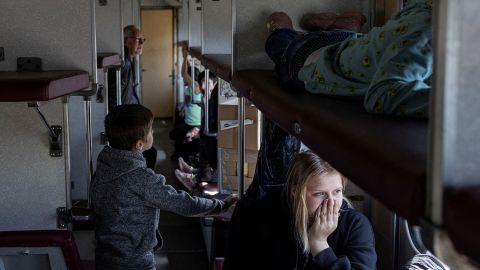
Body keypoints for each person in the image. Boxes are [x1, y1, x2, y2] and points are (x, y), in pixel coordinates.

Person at [91, 104, 236, 270]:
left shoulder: (104, 164)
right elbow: (182, 203)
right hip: (134, 261)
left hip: (105, 257)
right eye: (151, 131)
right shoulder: (142, 179)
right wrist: (221, 206)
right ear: (139, 145)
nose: (153, 133)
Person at [265, 0, 432, 117]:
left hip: (350, 43)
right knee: (281, 46)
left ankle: (333, 27)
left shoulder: (424, 10)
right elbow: (381, 95)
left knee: (329, 41)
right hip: (308, 59)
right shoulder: (431, 32)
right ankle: (280, 29)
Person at [224, 151, 377, 269]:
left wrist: (320, 244)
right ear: (296, 192)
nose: (332, 202)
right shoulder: (268, 217)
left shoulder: (355, 225)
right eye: (320, 194)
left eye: (337, 191)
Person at [107, 25, 157, 170]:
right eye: (137, 39)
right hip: (125, 123)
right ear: (125, 41)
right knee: (150, 152)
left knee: (150, 150)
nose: (141, 43)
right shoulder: (123, 64)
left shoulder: (130, 60)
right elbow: (114, 96)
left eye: (143, 40)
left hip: (129, 119)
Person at [169, 44, 202, 161]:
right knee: (176, 128)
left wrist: (184, 57)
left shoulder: (196, 87)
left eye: (187, 77)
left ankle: (179, 155)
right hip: (189, 119)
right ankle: (178, 154)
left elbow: (184, 74)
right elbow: (189, 71)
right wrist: (187, 58)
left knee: (175, 134)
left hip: (194, 123)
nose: (184, 79)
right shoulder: (191, 87)